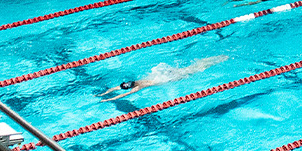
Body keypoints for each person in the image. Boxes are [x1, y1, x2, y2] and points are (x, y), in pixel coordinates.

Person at [97, 55, 229, 99]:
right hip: (166, 74)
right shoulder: (137, 82)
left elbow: (122, 94)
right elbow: (118, 89)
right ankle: (214, 59)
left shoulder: (139, 86)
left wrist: (108, 98)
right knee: (191, 68)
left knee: (193, 71)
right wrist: (105, 94)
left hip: (169, 79)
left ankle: (216, 60)